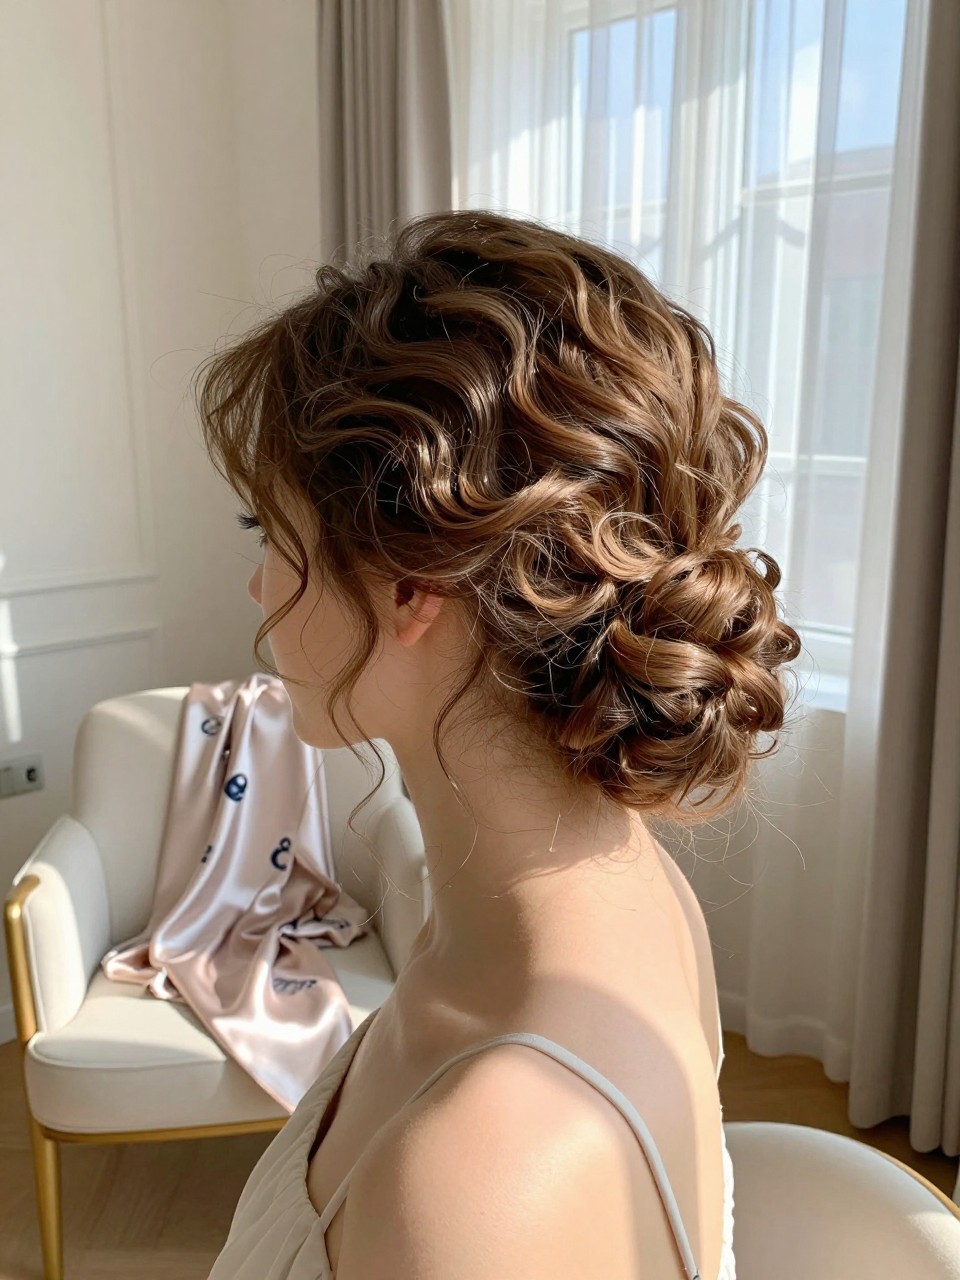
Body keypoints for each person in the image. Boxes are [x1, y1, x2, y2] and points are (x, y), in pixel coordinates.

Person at [197, 208, 802, 1280]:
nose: (255, 585)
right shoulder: (624, 886)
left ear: (408, 582)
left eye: (268, 531)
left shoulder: (472, 1178)